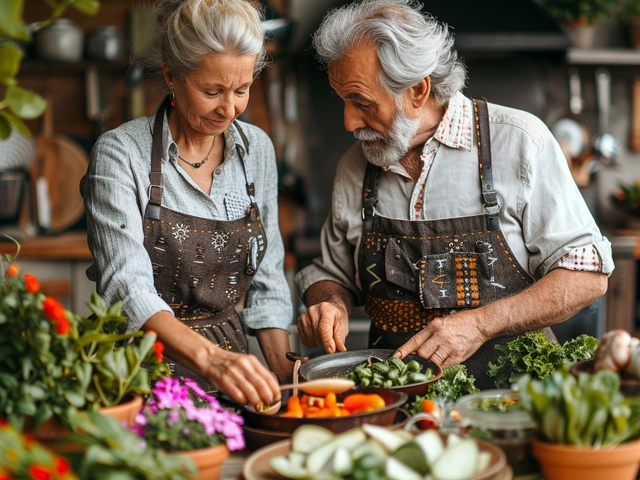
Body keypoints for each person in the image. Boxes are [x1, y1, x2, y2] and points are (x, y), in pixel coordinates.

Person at [295, 0, 613, 389]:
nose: (348, 122)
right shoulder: (355, 166)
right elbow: (331, 274)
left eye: (361, 102)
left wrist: (480, 324)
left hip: (510, 402)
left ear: (417, 89)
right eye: (342, 100)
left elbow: (587, 276)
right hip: (392, 403)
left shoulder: (518, 142)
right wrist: (329, 303)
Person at [82, 0, 293, 407]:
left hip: (231, 379)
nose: (229, 109)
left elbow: (268, 281)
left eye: (242, 90)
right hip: (137, 378)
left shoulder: (257, 151)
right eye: (212, 91)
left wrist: (286, 385)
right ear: (171, 77)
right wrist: (211, 360)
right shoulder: (120, 154)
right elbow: (126, 287)